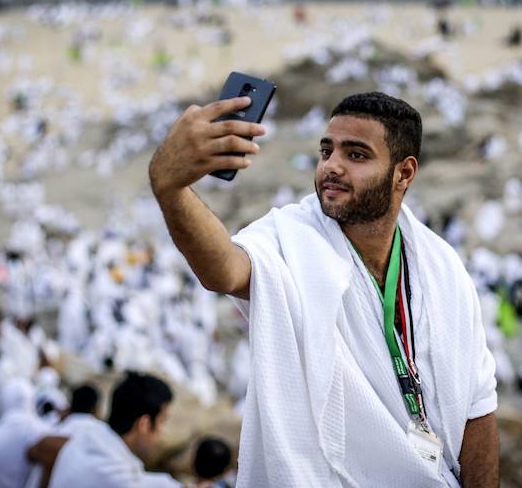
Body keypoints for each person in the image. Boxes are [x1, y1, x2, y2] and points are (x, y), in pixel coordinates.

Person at [149, 91, 498, 487]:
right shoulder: (292, 238)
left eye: (356, 155)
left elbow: (477, 406)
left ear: (404, 173)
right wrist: (171, 188)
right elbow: (225, 269)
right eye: (326, 151)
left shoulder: (443, 268)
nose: (332, 167)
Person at [49, 371, 180, 487]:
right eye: (161, 422)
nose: (161, 432)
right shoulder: (116, 477)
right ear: (144, 424)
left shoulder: (89, 436)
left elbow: (142, 480)